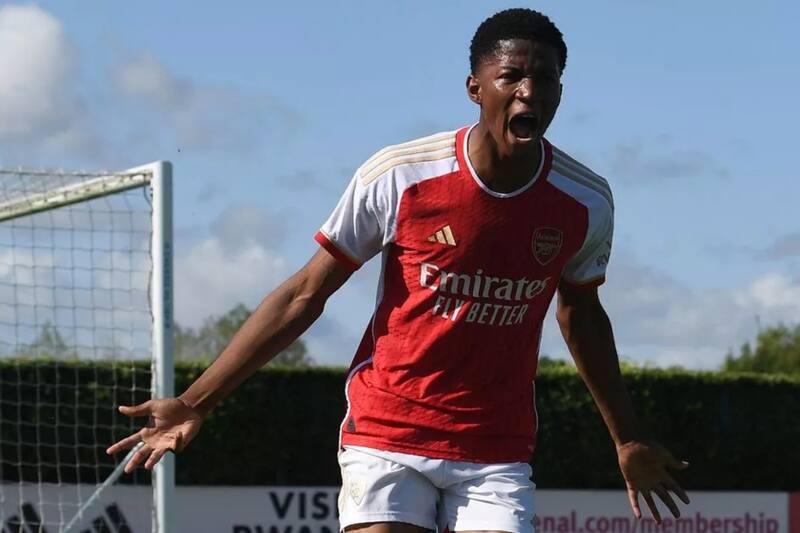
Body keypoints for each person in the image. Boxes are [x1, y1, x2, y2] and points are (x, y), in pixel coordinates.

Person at [108, 8, 690, 532]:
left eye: (545, 79)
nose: (528, 93)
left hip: (495, 447)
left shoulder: (585, 201)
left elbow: (581, 314)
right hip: (388, 429)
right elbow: (304, 294)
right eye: (511, 77)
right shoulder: (401, 175)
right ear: (475, 87)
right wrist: (196, 401)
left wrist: (628, 437)